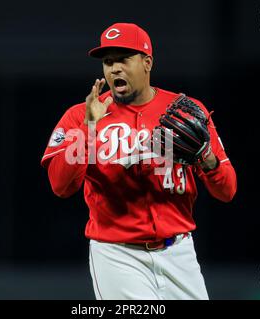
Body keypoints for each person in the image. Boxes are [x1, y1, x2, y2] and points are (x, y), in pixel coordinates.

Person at [41, 22, 237, 300]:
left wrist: (206, 158)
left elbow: (227, 191)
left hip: (179, 251)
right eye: (108, 62)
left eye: (123, 59)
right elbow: (60, 186)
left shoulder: (184, 112)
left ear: (147, 62)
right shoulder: (80, 116)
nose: (114, 68)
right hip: (117, 255)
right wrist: (89, 129)